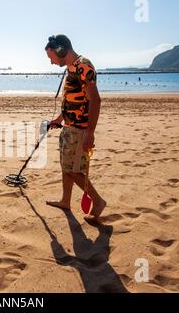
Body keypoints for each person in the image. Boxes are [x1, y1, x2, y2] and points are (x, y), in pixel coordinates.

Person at [44, 34, 107, 223]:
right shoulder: (72, 68)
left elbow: (95, 100)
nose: (51, 62)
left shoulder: (83, 66)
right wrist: (58, 119)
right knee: (66, 167)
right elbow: (72, 101)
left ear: (61, 50)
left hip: (80, 129)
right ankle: (65, 201)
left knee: (73, 170)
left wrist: (90, 132)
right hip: (69, 127)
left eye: (51, 57)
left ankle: (98, 201)